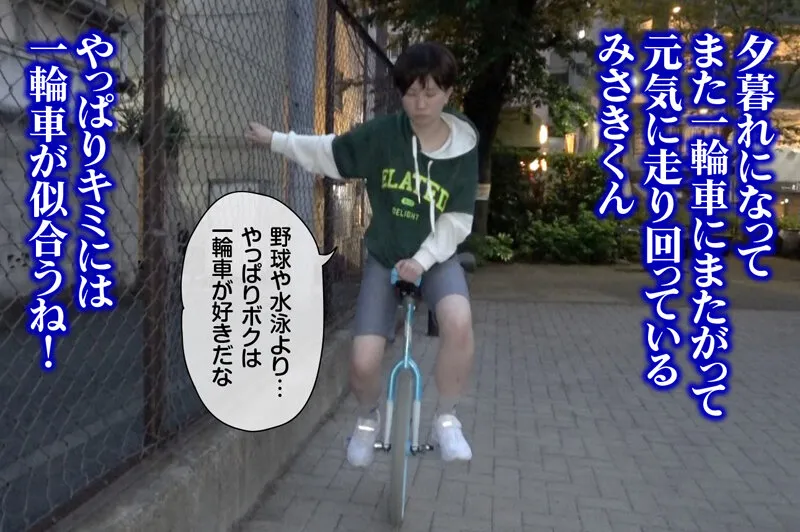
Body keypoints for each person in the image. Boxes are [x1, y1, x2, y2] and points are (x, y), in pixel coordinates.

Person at [245, 42, 478, 467]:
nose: (420, 104)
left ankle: (446, 418)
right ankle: (368, 420)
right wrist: (276, 141)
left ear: (448, 92)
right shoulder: (384, 136)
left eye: (430, 93)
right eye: (411, 93)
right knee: (363, 362)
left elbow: (457, 219)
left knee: (459, 324)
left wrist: (422, 261)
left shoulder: (463, 145)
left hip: (437, 258)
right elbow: (331, 151)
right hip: (386, 257)